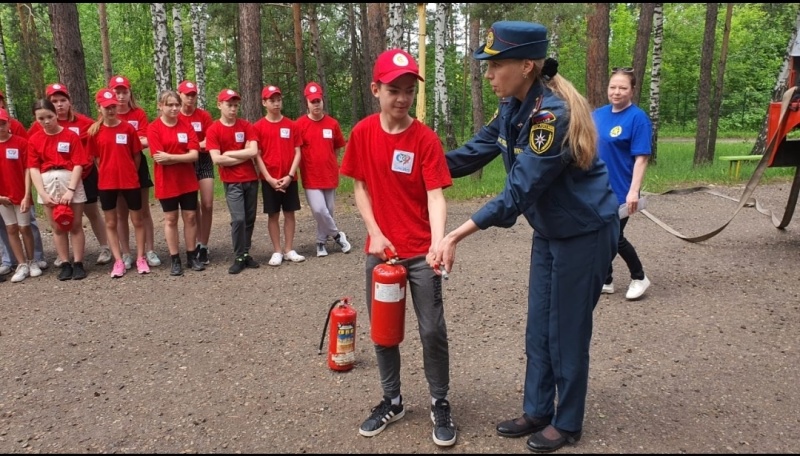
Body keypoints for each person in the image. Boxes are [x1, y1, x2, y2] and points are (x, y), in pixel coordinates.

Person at [433, 21, 619, 453]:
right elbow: (471, 153)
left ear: (527, 66)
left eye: (496, 64)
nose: (489, 73)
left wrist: (456, 234)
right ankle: (538, 409)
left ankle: (568, 421)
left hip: (584, 232)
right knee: (539, 328)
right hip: (550, 232)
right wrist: (414, 166)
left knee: (567, 330)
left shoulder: (550, 115)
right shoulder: (512, 108)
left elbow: (518, 191)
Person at [340, 48, 457, 447]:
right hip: (381, 252)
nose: (402, 98)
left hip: (422, 252)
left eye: (409, 90)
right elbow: (358, 186)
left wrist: (439, 242)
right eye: (394, 89)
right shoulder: (362, 134)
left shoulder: (425, 139)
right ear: (376, 89)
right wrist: (374, 231)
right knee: (384, 332)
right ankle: (392, 399)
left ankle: (439, 400)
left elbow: (436, 196)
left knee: (432, 330)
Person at [30, 83, 112, 267]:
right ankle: (63, 255)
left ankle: (104, 246)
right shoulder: (39, 126)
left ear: (69, 102)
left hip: (85, 173)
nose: (59, 105)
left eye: (62, 100)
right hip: (55, 178)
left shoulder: (84, 122)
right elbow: (32, 153)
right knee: (58, 215)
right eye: (55, 101)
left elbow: (102, 134)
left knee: (91, 211)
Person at [593, 67, 652, 300]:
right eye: (613, 87)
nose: (616, 92)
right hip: (596, 188)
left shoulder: (638, 118)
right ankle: (606, 280)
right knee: (599, 235)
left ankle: (639, 277)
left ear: (632, 90)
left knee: (614, 238)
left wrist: (633, 191)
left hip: (621, 190)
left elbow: (641, 158)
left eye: (623, 88)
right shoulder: (597, 114)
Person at [86, 88, 149, 277]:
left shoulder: (128, 128)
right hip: (107, 184)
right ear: (99, 108)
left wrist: (129, 172)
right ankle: (119, 260)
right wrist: (107, 172)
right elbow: (97, 159)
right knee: (111, 222)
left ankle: (140, 258)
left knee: (137, 220)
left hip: (130, 181)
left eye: (113, 106)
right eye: (106, 107)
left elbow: (136, 156)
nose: (111, 110)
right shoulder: (94, 132)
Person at [27, 98, 92, 281]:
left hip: (69, 179)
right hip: (47, 182)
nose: (46, 121)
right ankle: (65, 263)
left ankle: (78, 263)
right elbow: (33, 167)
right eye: (41, 118)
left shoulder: (70, 136)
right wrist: (42, 193)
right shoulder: (34, 139)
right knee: (57, 227)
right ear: (36, 119)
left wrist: (71, 189)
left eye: (49, 116)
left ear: (56, 114)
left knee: (76, 224)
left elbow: (79, 162)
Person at [146, 89, 205, 276]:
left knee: (190, 217)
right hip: (166, 182)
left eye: (176, 105)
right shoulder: (153, 128)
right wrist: (183, 156)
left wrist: (171, 156)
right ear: (160, 106)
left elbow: (194, 155)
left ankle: (191, 256)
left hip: (187, 180)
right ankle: (175, 259)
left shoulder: (186, 126)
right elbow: (158, 158)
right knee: (171, 219)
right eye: (169, 105)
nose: (174, 108)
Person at [109, 75, 161, 269]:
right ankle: (126, 253)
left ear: (130, 93)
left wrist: (128, 142)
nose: (121, 96)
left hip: (137, 165)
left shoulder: (138, 114)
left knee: (142, 210)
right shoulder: (108, 114)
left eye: (124, 92)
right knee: (121, 213)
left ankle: (150, 250)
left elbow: (147, 139)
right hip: (116, 168)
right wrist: (132, 141)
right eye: (117, 92)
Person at [206, 89, 261, 274]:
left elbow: (253, 151)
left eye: (236, 105)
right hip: (232, 182)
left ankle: (246, 254)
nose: (233, 109)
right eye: (229, 105)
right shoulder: (214, 129)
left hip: (251, 179)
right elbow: (216, 159)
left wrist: (229, 153)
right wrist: (242, 155)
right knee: (238, 218)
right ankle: (238, 256)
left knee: (250, 218)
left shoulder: (246, 126)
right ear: (219, 105)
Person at [295, 81, 351, 258]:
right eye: (313, 102)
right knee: (319, 209)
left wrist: (331, 163)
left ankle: (320, 242)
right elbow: (295, 149)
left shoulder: (332, 124)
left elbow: (337, 147)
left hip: (329, 173)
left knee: (329, 210)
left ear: (322, 101)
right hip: (311, 174)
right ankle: (337, 235)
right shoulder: (300, 125)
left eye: (318, 101)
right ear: (307, 103)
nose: (316, 104)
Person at [253, 85, 305, 266]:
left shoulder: (291, 125)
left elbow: (298, 151)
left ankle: (289, 248)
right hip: (270, 179)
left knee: (290, 214)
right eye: (272, 100)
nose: (276, 103)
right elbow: (257, 154)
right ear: (264, 103)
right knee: (273, 215)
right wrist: (268, 178)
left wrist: (290, 176)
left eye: (278, 100)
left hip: (289, 177)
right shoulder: (258, 127)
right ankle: (277, 251)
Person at [0, 90, 47, 276]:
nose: (0, 127)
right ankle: (21, 264)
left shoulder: (20, 143)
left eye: (3, 124)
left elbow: (28, 168)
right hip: (2, 196)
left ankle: (32, 259)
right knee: (11, 228)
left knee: (25, 227)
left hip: (20, 193)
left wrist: (28, 193)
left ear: (9, 123)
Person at [178, 80, 215, 265]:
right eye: (187, 94)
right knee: (193, 206)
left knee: (207, 203)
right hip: (185, 164)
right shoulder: (176, 116)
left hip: (204, 160)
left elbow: (211, 138)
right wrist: (194, 146)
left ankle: (204, 245)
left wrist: (196, 146)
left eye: (193, 94)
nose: (190, 98)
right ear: (180, 95)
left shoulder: (203, 116)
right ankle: (197, 242)